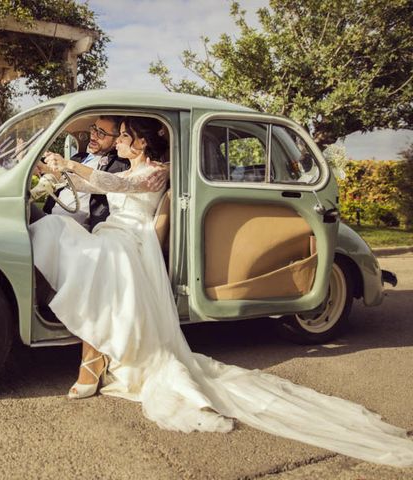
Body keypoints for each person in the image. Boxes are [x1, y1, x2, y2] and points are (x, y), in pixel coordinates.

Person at [30, 116, 413, 467]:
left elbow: (120, 186)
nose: (117, 143)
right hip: (113, 234)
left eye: (124, 137)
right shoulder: (124, 166)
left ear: (142, 144)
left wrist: (68, 165)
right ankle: (93, 353)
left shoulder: (155, 172)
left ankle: (92, 360)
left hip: (133, 239)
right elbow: (92, 184)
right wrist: (54, 173)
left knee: (94, 259)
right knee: (60, 237)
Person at [35, 115, 131, 228]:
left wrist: (67, 164)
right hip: (50, 216)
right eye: (94, 129)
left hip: (74, 226)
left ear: (116, 140)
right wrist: (41, 166)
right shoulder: (79, 157)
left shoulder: (119, 165)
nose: (93, 135)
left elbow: (91, 184)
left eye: (101, 133)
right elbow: (62, 178)